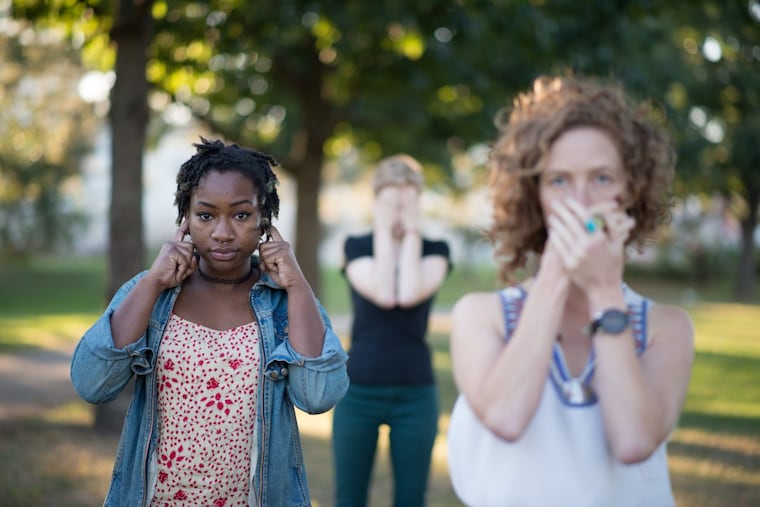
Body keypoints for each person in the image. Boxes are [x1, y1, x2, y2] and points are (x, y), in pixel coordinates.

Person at [447, 76, 694, 507]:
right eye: (559, 181)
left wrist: (603, 291)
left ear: (630, 191)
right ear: (534, 196)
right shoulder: (479, 315)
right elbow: (506, 416)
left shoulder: (666, 327)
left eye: (601, 178)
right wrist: (558, 274)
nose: (580, 202)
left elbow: (634, 442)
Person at [70, 138, 349, 507]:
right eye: (206, 215)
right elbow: (93, 384)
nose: (222, 232)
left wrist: (297, 284)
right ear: (185, 219)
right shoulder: (150, 292)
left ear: (264, 219)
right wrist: (154, 282)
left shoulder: (287, 301)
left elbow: (318, 396)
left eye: (241, 215)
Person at [332, 154, 452, 507]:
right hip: (358, 391)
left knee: (411, 499)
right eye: (391, 203)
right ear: (376, 202)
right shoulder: (356, 246)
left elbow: (408, 294)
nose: (399, 213)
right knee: (349, 498)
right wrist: (385, 232)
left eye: (407, 203)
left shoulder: (435, 249)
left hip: (415, 393)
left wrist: (411, 233)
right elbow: (385, 295)